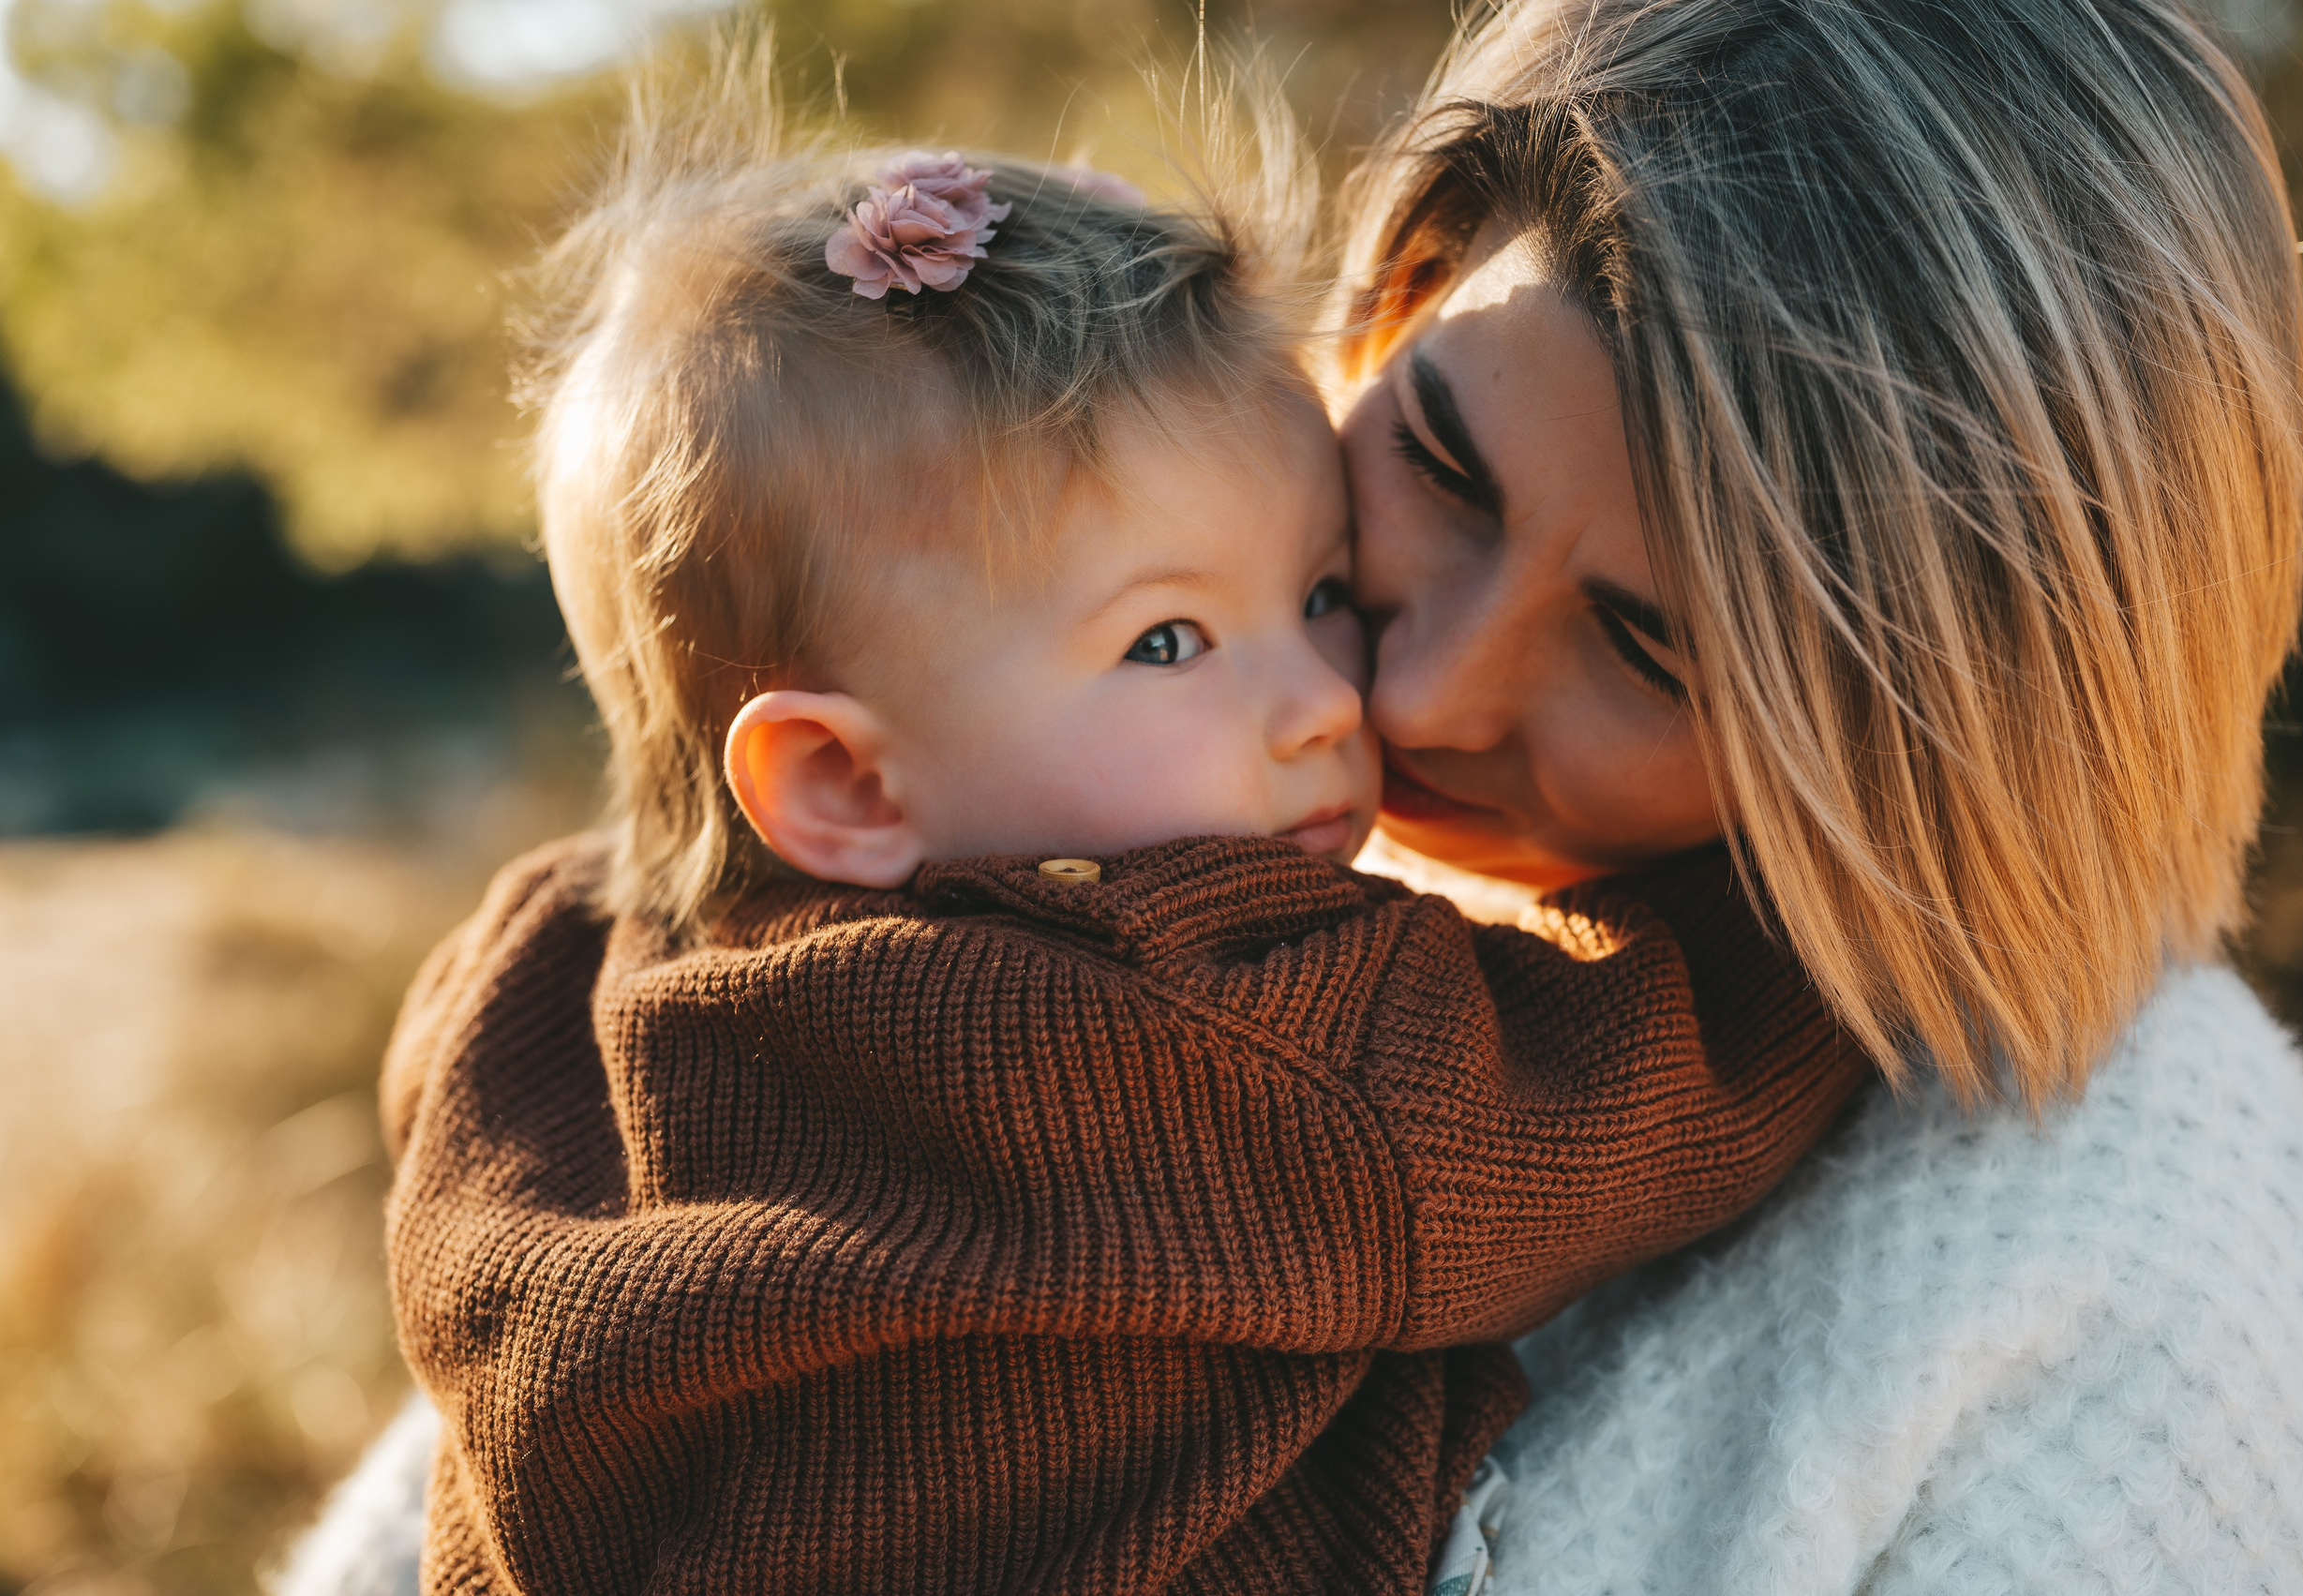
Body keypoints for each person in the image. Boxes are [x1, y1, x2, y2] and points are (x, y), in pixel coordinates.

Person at [345, 48, 1864, 1596]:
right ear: (842, 783)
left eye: (1319, 591)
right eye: (1168, 641)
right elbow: (1667, 1073)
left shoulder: (527, 974)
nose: (1335, 701)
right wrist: (1849, 856)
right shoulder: (1229, 1019)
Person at [1328, 0, 2303, 1588]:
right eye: (1437, 463)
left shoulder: (2127, 1287)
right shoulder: (1119, 832)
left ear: (1964, 741)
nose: (1427, 694)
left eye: (1651, 651)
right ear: (1398, 296)